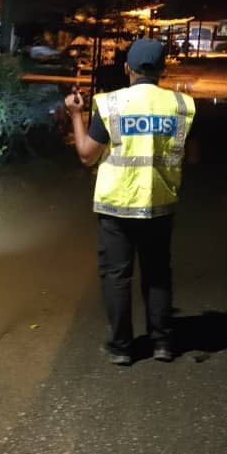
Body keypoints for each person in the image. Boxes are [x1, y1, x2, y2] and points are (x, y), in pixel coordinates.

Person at [64, 38, 196, 366]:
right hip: (160, 203)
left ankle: (123, 347)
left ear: (128, 68)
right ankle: (162, 343)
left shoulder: (110, 105)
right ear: (162, 70)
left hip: (117, 204)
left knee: (116, 275)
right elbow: (191, 155)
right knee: (157, 273)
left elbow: (86, 155)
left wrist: (75, 115)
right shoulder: (181, 105)